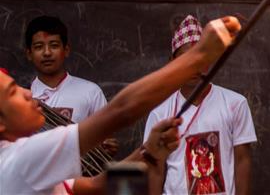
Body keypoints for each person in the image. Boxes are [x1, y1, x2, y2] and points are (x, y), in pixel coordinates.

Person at [0, 15, 241, 195]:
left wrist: (147, 154)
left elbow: (98, 186)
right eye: (13, 92)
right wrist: (199, 56)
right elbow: (122, 110)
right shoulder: (19, 161)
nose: (27, 92)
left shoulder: (27, 166)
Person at [144, 15, 256, 195]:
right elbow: (155, 170)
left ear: (210, 60)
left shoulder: (235, 104)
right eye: (185, 59)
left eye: (199, 59)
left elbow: (242, 160)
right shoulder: (160, 113)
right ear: (173, 62)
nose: (193, 67)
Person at [25, 16, 118, 158]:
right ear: (29, 54)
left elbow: (107, 141)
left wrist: (107, 147)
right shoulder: (22, 97)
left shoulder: (90, 92)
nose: (47, 53)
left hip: (81, 178)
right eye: (39, 47)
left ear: (66, 50)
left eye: (54, 45)